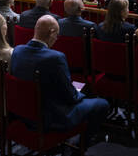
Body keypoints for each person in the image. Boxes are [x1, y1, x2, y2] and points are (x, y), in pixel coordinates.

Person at [10, 15, 109, 145]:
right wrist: (80, 94)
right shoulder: (56, 58)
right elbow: (70, 96)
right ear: (51, 33)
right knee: (102, 103)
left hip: (23, 113)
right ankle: (83, 144)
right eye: (57, 35)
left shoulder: (17, 51)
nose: (56, 39)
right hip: (53, 118)